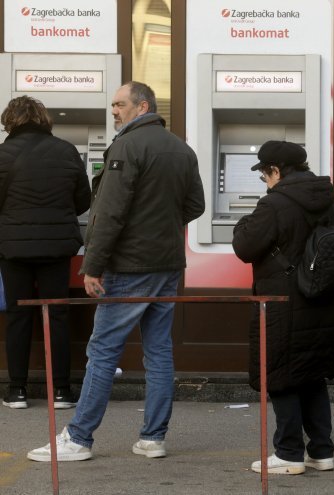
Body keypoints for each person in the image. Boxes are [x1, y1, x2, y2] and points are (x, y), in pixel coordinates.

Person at [27, 81, 205, 462]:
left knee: (103, 351)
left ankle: (78, 438)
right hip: (169, 264)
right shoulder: (182, 149)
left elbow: (108, 213)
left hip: (129, 265)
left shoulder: (126, 146)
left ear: (142, 107)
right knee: (158, 351)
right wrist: (160, 227)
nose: (114, 112)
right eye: (112, 106)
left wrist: (93, 265)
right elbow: (196, 205)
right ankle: (153, 438)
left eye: (119, 105)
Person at [232, 140, 334, 475]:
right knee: (312, 374)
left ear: (275, 170)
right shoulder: (326, 200)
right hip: (319, 299)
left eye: (264, 174)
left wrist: (242, 224)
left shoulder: (275, 204)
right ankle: (321, 452)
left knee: (280, 374)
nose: (265, 181)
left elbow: (246, 246)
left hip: (282, 300)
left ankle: (289, 453)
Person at [0, 96, 90, 410]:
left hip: (13, 248)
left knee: (18, 316)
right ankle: (62, 392)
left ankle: (17, 391)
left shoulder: (3, 154)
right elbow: (84, 200)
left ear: (10, 120)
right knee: (57, 315)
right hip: (56, 246)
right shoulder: (66, 150)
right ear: (43, 119)